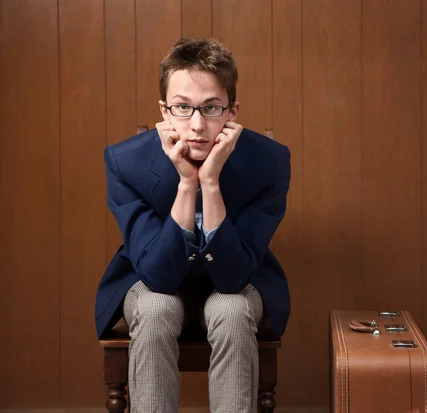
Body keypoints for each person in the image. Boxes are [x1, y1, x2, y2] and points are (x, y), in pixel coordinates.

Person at [94, 36, 291, 413]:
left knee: (231, 310)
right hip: (153, 282)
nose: (197, 125)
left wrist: (211, 181)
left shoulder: (269, 162)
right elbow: (158, 277)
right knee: (155, 309)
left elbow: (233, 278)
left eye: (211, 107)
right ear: (164, 112)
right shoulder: (126, 162)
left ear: (233, 111)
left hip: (236, 281)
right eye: (182, 108)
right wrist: (187, 183)